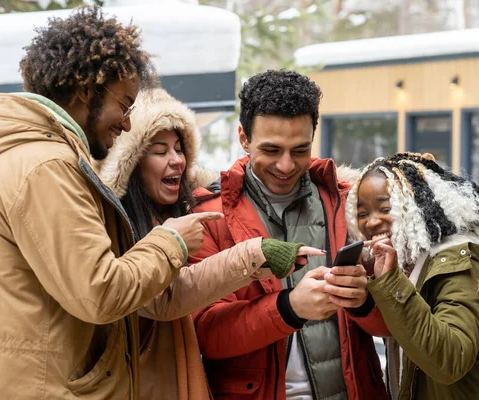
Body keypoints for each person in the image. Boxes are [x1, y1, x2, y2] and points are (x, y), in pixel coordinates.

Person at [0, 7, 221, 399]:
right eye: (125, 106)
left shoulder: (23, 155)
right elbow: (100, 292)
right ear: (84, 90)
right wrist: (171, 242)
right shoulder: (46, 167)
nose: (128, 124)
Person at [98, 86, 323, 400]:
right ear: (131, 161)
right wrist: (257, 256)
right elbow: (166, 300)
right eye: (160, 151)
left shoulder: (197, 207)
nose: (176, 160)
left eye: (180, 149)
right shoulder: (113, 225)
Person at [190, 69, 390, 400]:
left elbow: (392, 326)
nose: (286, 165)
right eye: (271, 150)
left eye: (300, 150)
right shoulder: (208, 216)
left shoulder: (349, 203)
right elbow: (206, 333)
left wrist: (364, 302)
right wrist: (288, 308)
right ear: (244, 138)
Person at [346, 153, 479, 399]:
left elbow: (449, 360)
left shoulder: (457, 263)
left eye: (386, 208)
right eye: (362, 213)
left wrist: (390, 283)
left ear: (419, 206)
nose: (371, 222)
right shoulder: (407, 266)